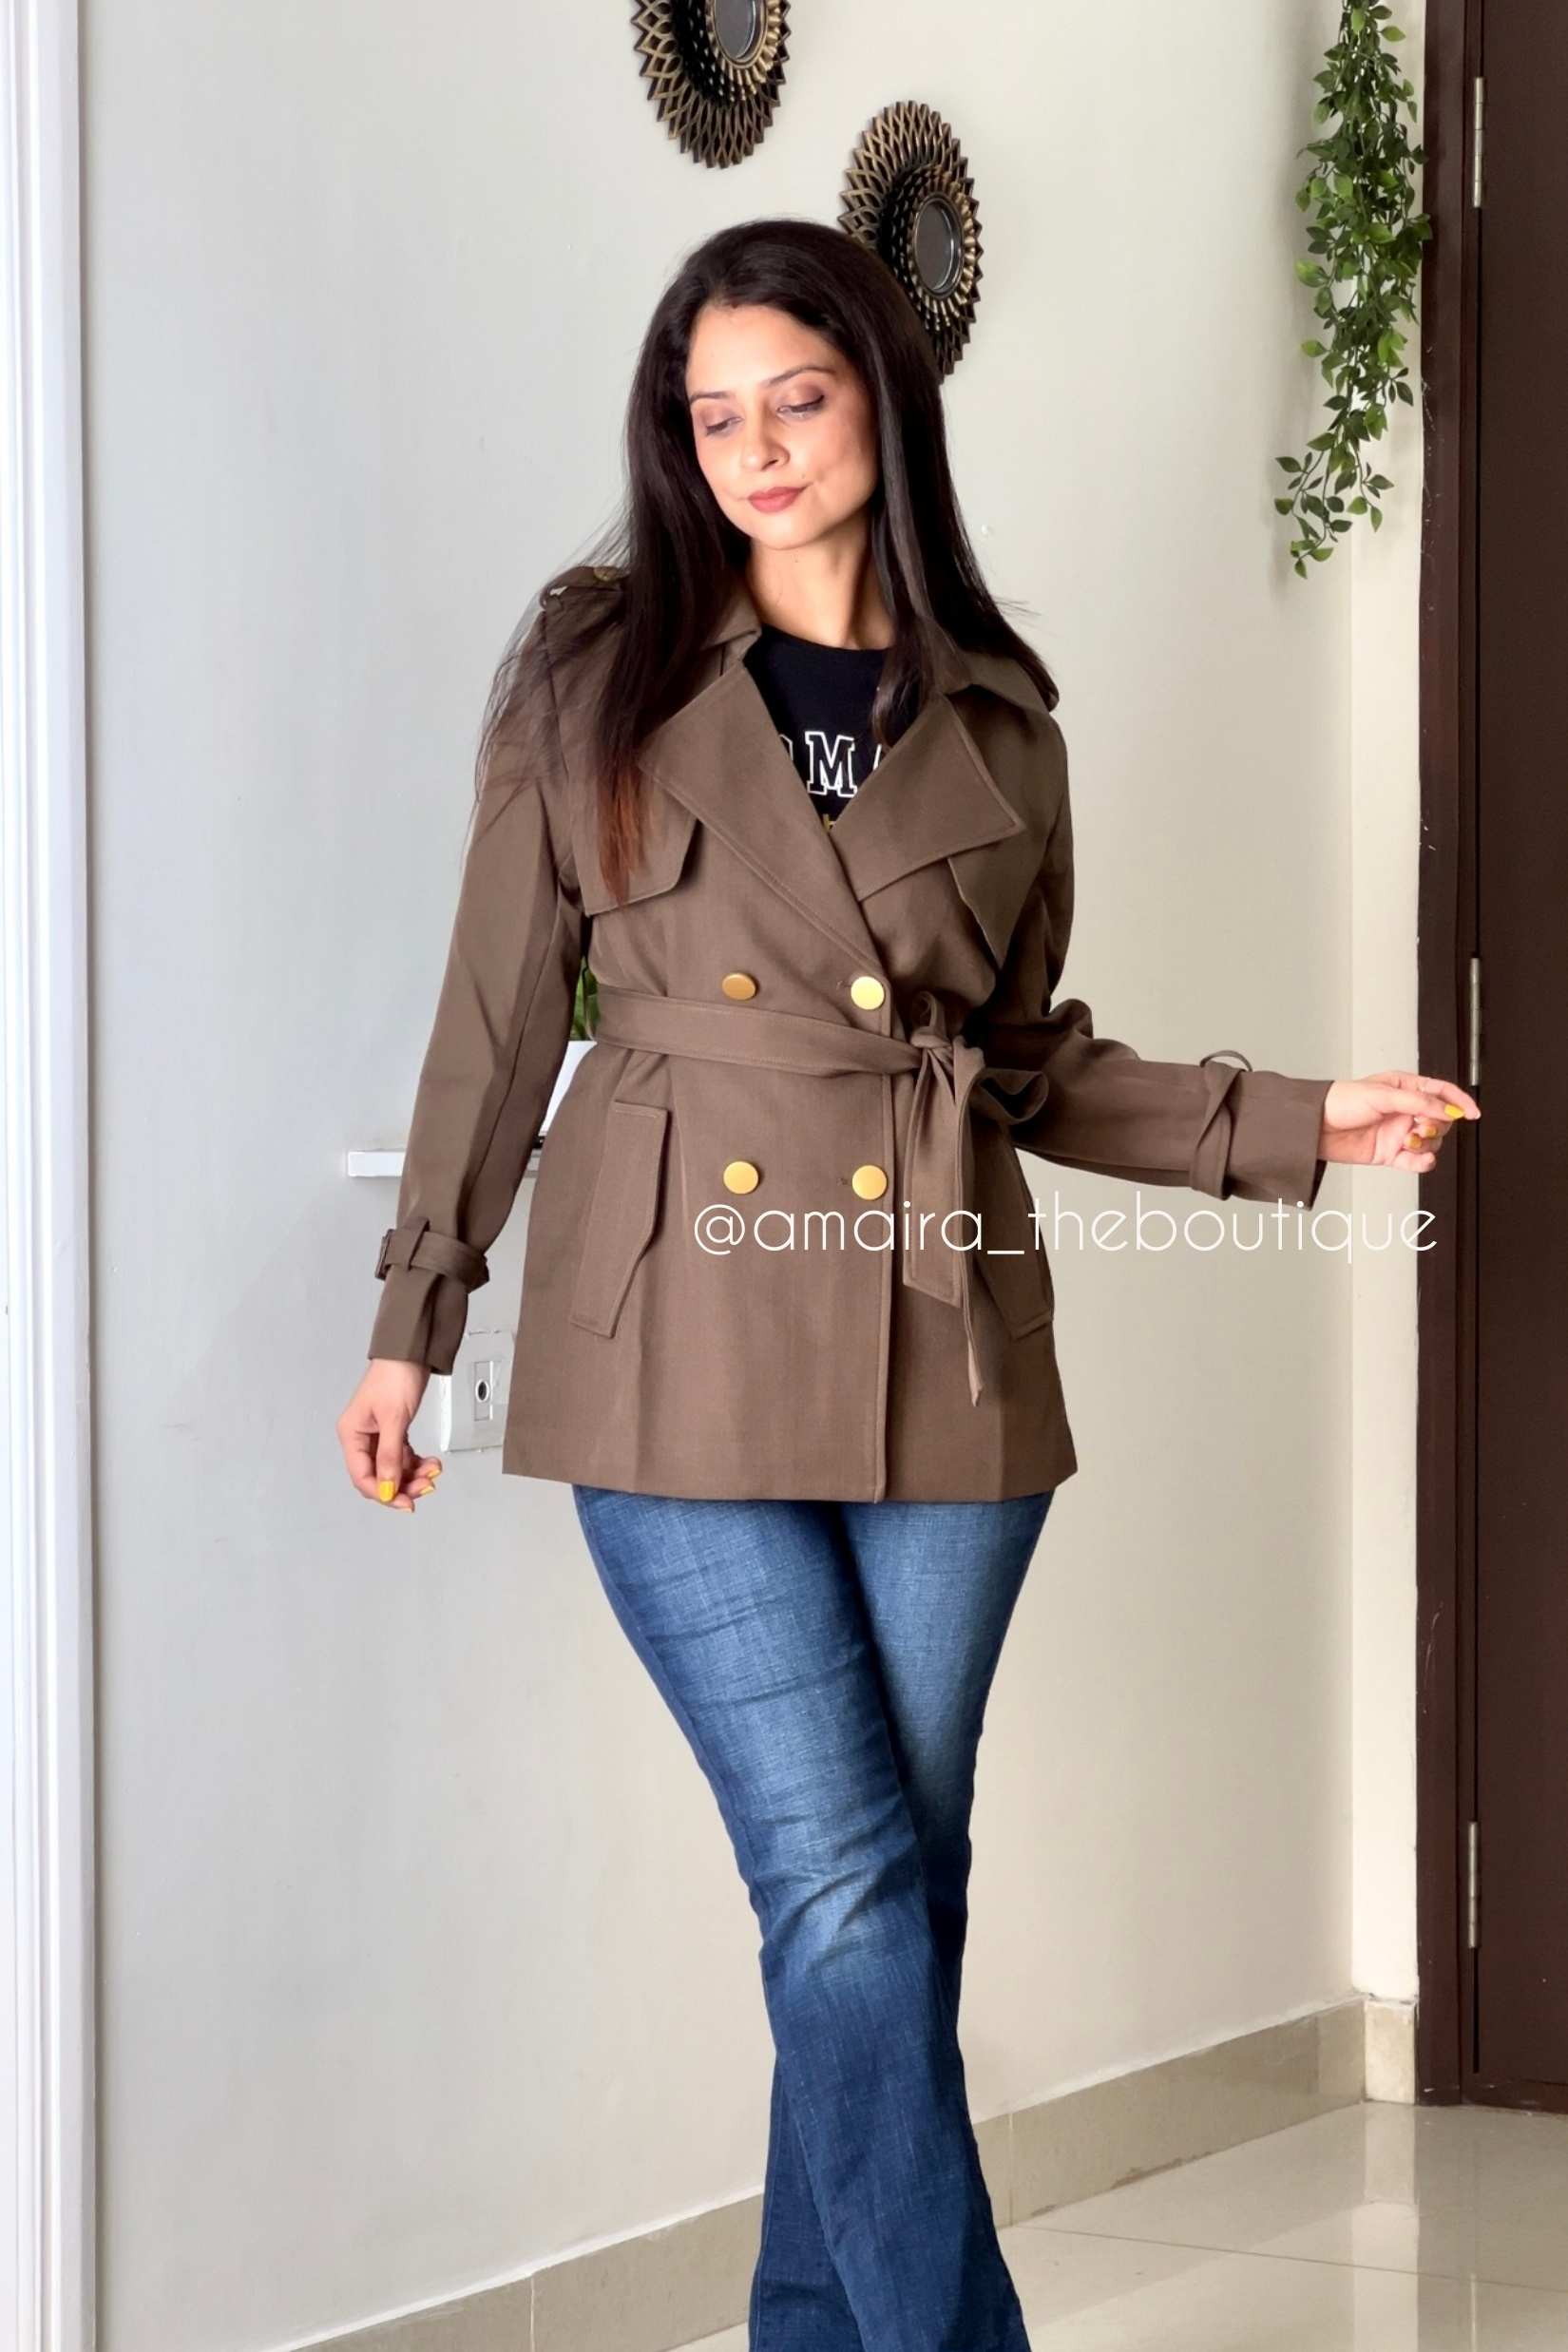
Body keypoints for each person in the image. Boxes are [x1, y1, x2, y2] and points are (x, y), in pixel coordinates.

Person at [336, 219, 1478, 2352]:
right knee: (844, 1884)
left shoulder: (1004, 721)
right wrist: (417, 1317)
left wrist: (1294, 1118)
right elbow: (493, 1023)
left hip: (942, 1347)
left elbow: (1025, 1062)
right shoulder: (597, 672)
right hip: (667, 1330)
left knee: (886, 1894)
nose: (758, 450)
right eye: (715, 418)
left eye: (799, 399)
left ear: (882, 400)